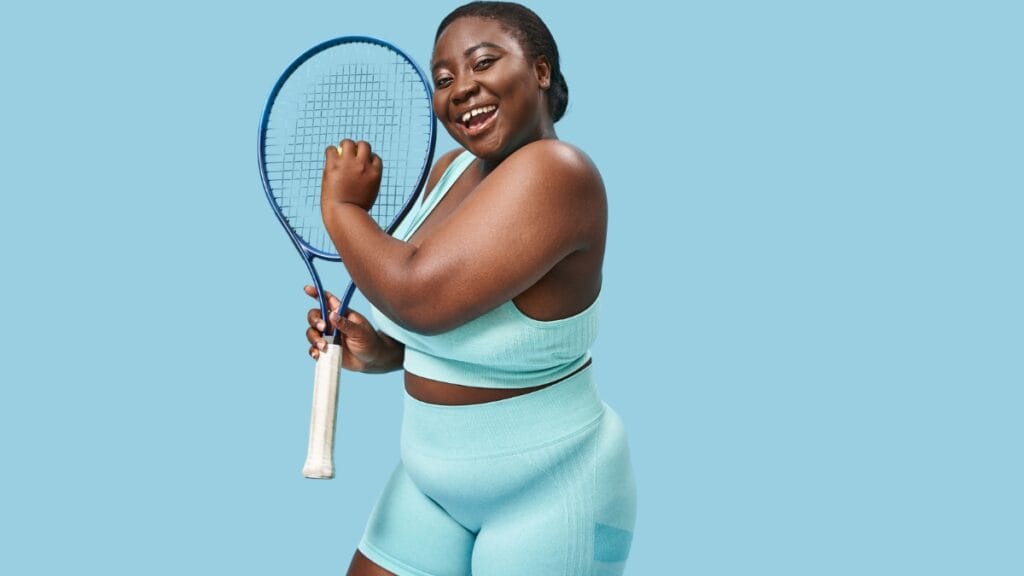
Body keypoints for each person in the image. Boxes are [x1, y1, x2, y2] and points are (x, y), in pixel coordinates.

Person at [304, 3, 636, 574]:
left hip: (550, 490)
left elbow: (418, 297)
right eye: (444, 79)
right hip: (429, 481)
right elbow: (460, 326)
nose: (461, 88)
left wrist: (340, 208)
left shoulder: (558, 172)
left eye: (483, 62)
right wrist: (385, 353)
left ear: (540, 70)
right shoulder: (451, 171)